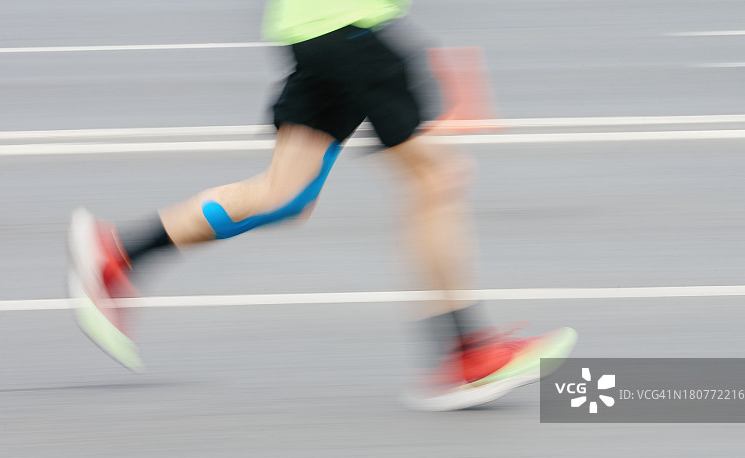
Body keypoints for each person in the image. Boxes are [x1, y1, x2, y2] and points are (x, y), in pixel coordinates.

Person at [67, 0, 577, 411]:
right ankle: (467, 354)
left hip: (312, 25)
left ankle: (117, 254)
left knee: (284, 193)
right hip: (346, 22)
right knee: (436, 176)